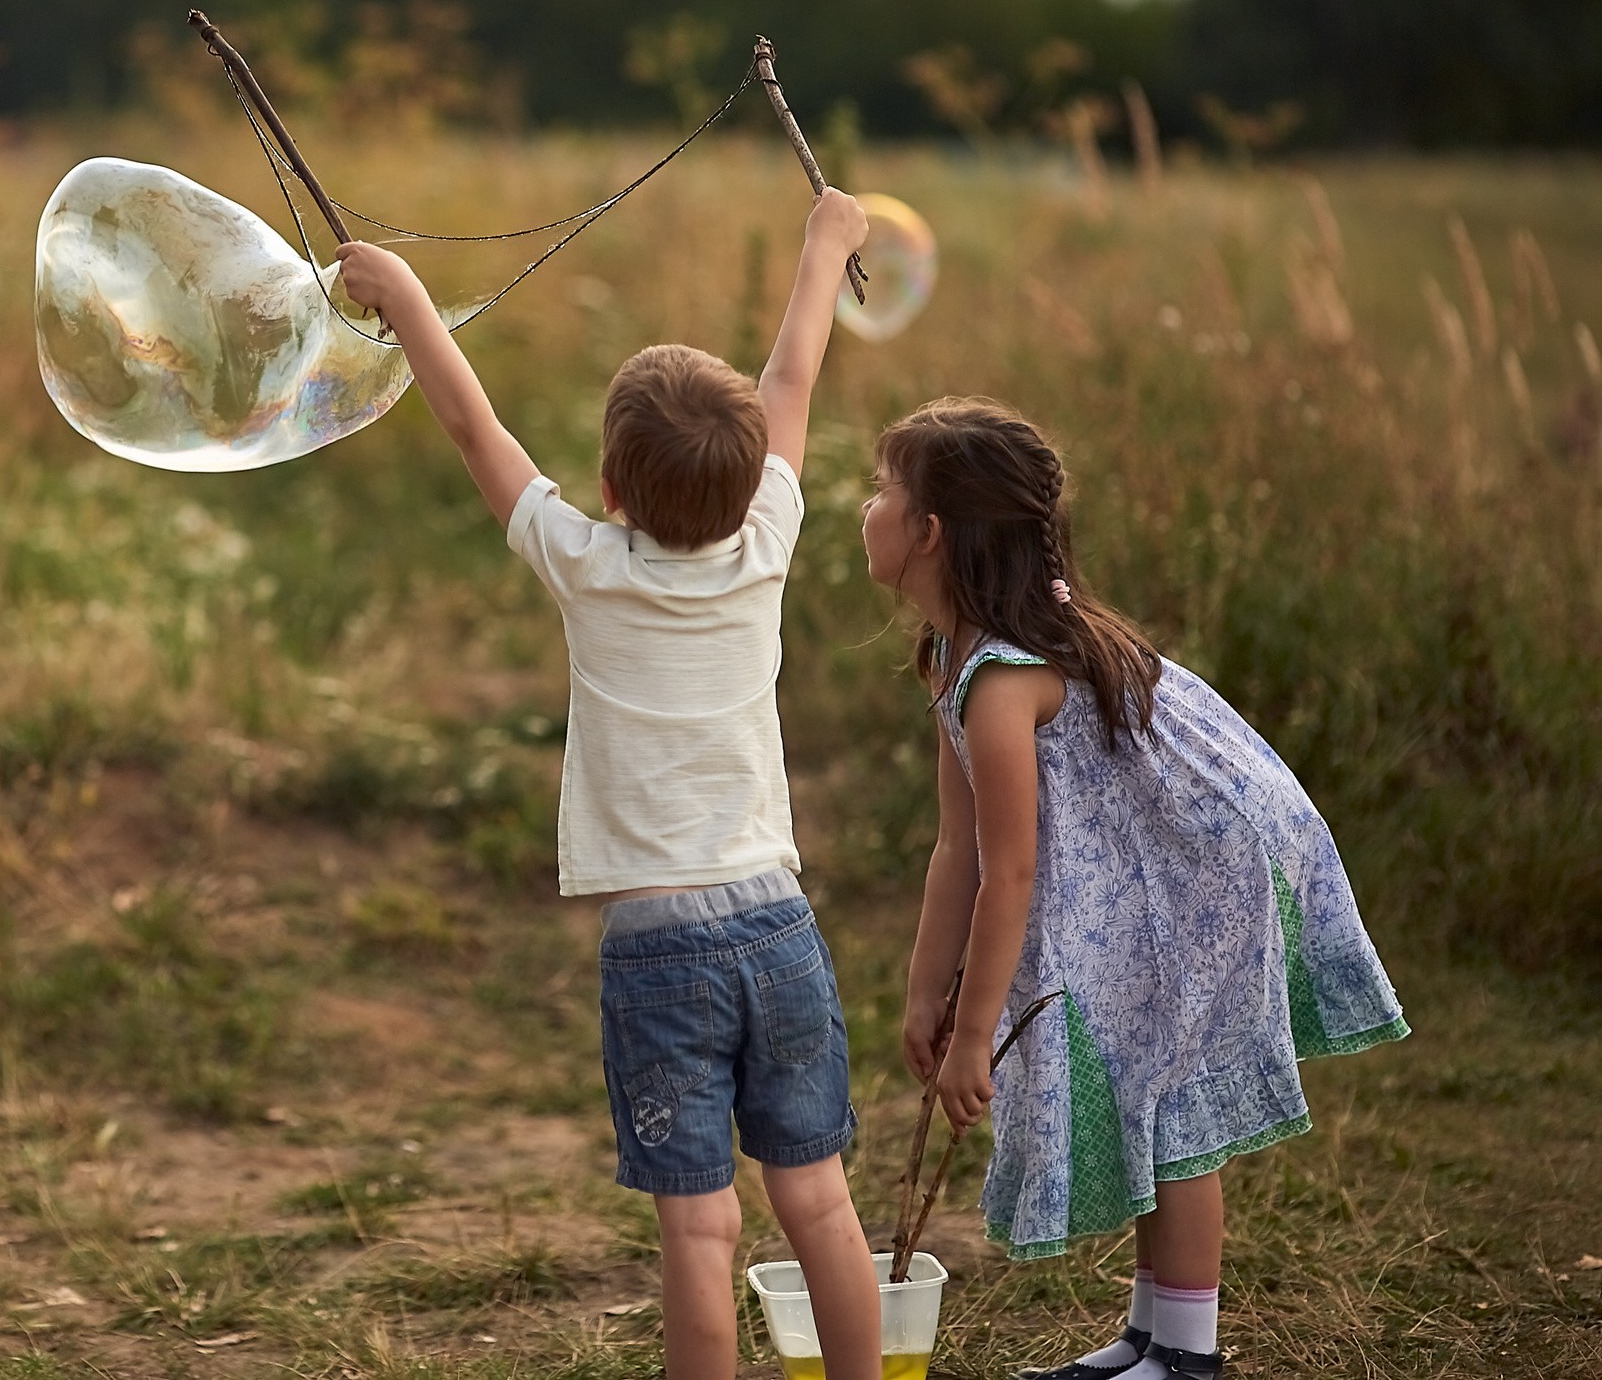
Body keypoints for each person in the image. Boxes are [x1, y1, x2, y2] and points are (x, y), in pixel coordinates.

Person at [335, 188, 881, 1380]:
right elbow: (787, 387)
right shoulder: (767, 544)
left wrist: (409, 298)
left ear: (612, 492)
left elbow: (479, 434)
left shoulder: (585, 564)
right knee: (821, 1206)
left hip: (660, 949)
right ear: (747, 489)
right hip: (779, 929)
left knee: (700, 1225)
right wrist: (822, 248)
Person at [860, 397, 1408, 1380]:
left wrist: (976, 1034)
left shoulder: (1000, 684)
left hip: (1201, 875)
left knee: (1174, 1109)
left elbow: (1012, 871)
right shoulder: (954, 662)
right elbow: (959, 848)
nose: (868, 508)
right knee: (1148, 1095)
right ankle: (1149, 1339)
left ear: (930, 532)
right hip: (1143, 880)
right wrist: (923, 990)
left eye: (880, 491)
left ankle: (1186, 1359)